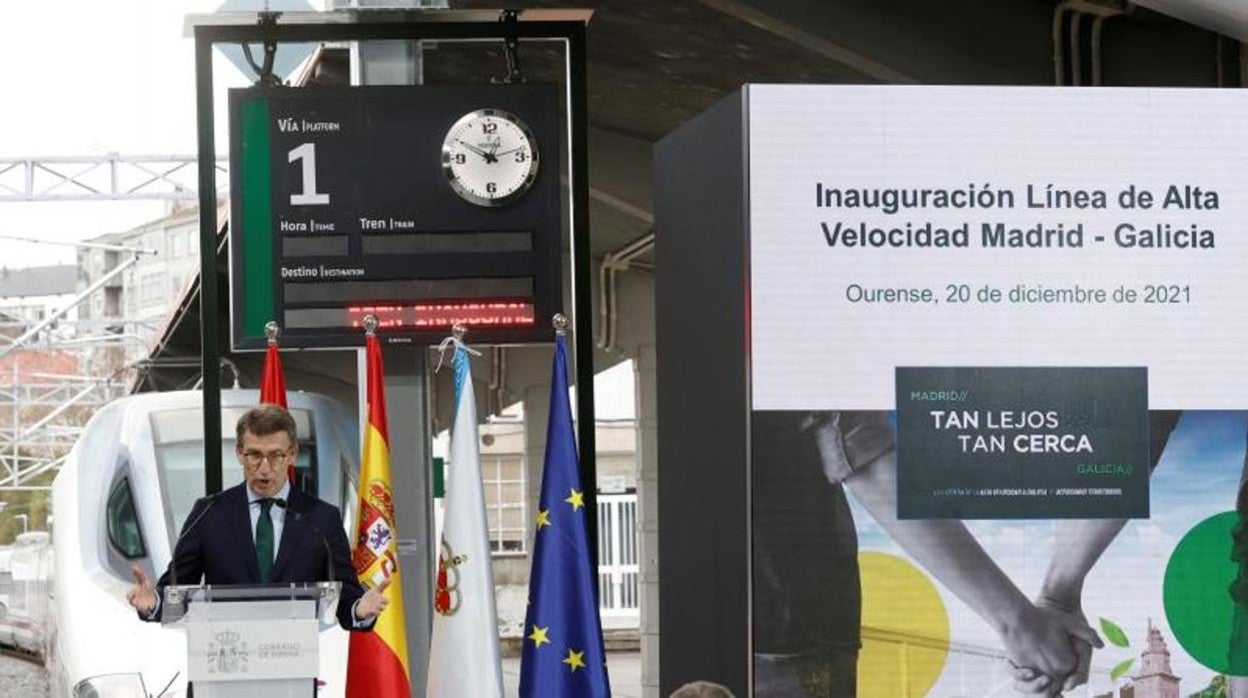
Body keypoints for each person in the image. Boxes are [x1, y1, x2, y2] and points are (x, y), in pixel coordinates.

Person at [126, 404, 389, 631]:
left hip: (291, 676)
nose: (265, 468)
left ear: (293, 454)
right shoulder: (209, 513)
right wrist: (154, 604)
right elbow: (177, 590)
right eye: (254, 455)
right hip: (221, 673)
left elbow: (346, 598)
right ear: (240, 453)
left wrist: (358, 609)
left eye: (276, 455)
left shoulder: (321, 519)